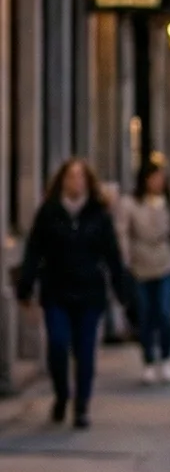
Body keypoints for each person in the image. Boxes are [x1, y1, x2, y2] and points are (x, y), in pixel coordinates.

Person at [15, 157, 136, 427]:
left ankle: (81, 406)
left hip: (89, 292)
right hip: (56, 290)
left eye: (81, 177)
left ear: (88, 182)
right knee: (57, 346)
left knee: (85, 352)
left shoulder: (98, 214)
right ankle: (61, 395)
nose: (76, 182)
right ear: (62, 181)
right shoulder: (49, 212)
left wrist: (122, 291)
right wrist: (26, 285)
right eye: (71, 177)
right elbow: (35, 250)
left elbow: (112, 255)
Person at [118, 157, 170, 383]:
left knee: (165, 313)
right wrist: (126, 260)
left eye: (161, 178)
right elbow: (122, 232)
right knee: (145, 314)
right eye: (154, 178)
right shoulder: (130, 203)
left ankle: (166, 358)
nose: (158, 183)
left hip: (166, 262)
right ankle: (149, 360)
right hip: (141, 265)